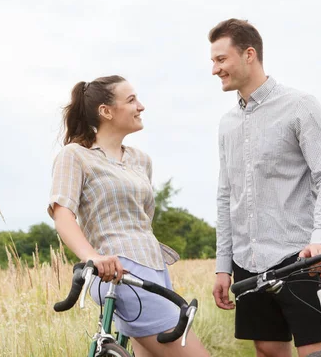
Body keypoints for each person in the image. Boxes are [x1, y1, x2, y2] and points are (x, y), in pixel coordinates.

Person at [209, 19, 321, 357]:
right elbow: (227, 196)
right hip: (247, 258)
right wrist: (223, 265)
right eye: (213, 61)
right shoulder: (227, 124)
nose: (215, 69)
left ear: (249, 55)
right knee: (268, 347)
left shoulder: (300, 106)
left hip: (300, 255)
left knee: (317, 350)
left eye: (221, 59)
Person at [48, 75, 209, 357]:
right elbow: (63, 215)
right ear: (106, 111)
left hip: (155, 270)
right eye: (131, 100)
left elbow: (143, 220)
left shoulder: (141, 160)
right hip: (117, 271)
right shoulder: (75, 156)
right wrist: (92, 256)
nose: (141, 106)